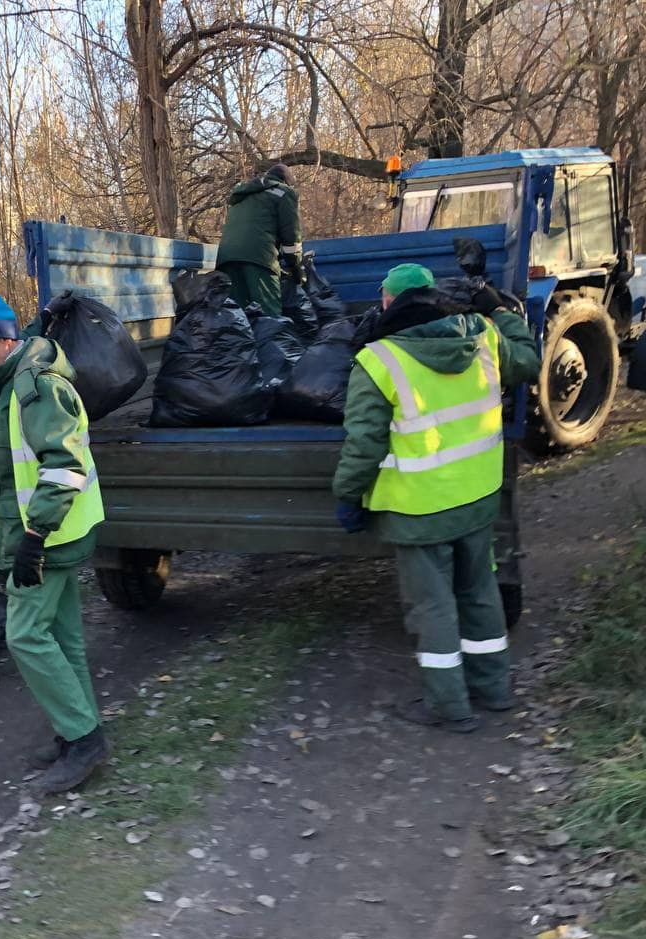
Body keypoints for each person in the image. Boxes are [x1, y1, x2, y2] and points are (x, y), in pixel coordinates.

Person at [332, 264, 540, 732]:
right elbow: (527, 361)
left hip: (419, 509)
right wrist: (501, 310)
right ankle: (495, 689)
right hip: (477, 498)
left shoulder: (379, 360)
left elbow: (364, 444)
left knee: (433, 606)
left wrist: (348, 495)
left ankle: (450, 706)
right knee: (479, 592)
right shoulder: (483, 336)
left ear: (388, 302)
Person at [0, 294, 109, 793]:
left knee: (23, 635)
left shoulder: (35, 389)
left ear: (7, 342)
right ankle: (78, 733)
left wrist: (32, 537)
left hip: (48, 538)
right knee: (62, 636)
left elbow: (63, 467)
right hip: (53, 535)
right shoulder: (8, 383)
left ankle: (83, 739)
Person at [215, 162, 303, 318]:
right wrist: (296, 269)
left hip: (226, 258)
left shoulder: (242, 194)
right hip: (259, 258)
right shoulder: (285, 193)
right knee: (270, 316)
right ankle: (271, 342)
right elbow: (291, 237)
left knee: (237, 318)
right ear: (285, 181)